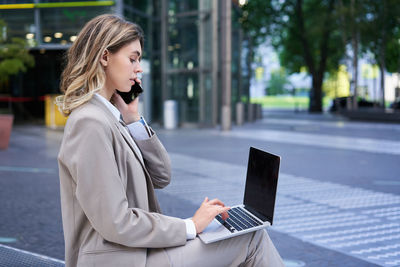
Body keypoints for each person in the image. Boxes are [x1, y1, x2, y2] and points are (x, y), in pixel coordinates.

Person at [57, 14, 284, 267]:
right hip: (122, 260)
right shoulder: (90, 123)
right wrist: (191, 225)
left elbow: (162, 176)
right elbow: (115, 222)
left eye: (139, 59)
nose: (139, 68)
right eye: (132, 58)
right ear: (105, 57)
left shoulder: (113, 118)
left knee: (245, 236)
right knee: (251, 240)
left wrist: (134, 120)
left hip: (140, 251)